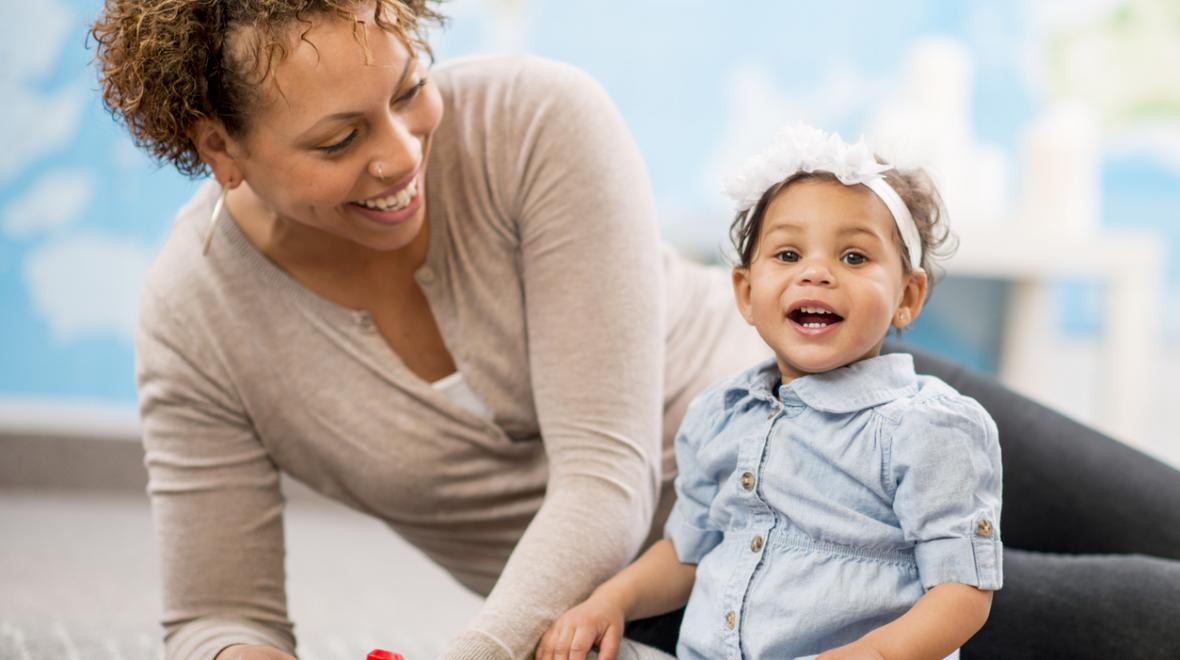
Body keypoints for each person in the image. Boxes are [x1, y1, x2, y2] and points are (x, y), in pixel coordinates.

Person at [88, 1, 1180, 659]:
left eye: (408, 91)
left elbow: (602, 474)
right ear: (220, 146)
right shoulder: (197, 324)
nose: (403, 154)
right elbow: (218, 613)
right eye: (338, 140)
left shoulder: (533, 121)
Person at [537, 125, 1001, 660]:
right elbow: (687, 554)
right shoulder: (722, 415)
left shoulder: (929, 428)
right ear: (746, 292)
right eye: (787, 255)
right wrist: (609, 603)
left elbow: (962, 594)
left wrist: (871, 656)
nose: (816, 274)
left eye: (854, 257)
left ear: (908, 296)